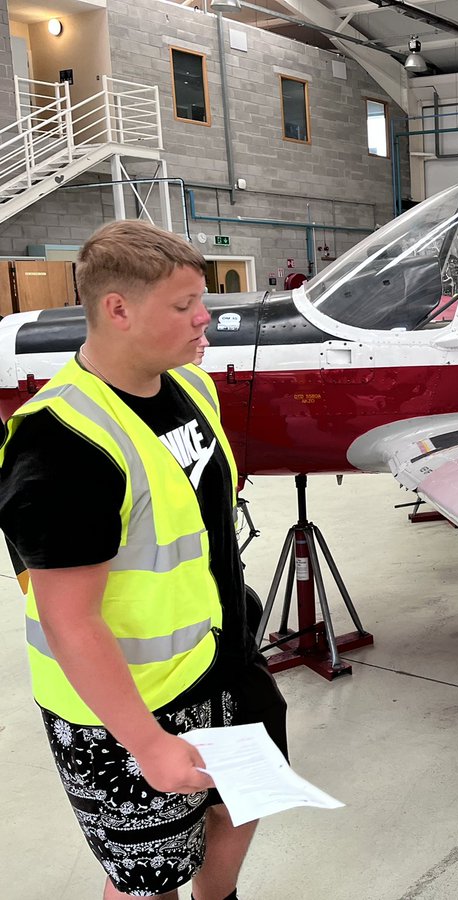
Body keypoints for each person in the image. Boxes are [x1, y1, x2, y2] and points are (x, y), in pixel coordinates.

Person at [0, 221, 286, 900]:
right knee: (145, 878)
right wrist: (148, 744)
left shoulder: (191, 388)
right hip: (127, 708)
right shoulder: (62, 443)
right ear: (118, 309)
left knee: (242, 802)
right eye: (185, 305)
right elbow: (71, 623)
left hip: (224, 661)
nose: (205, 317)